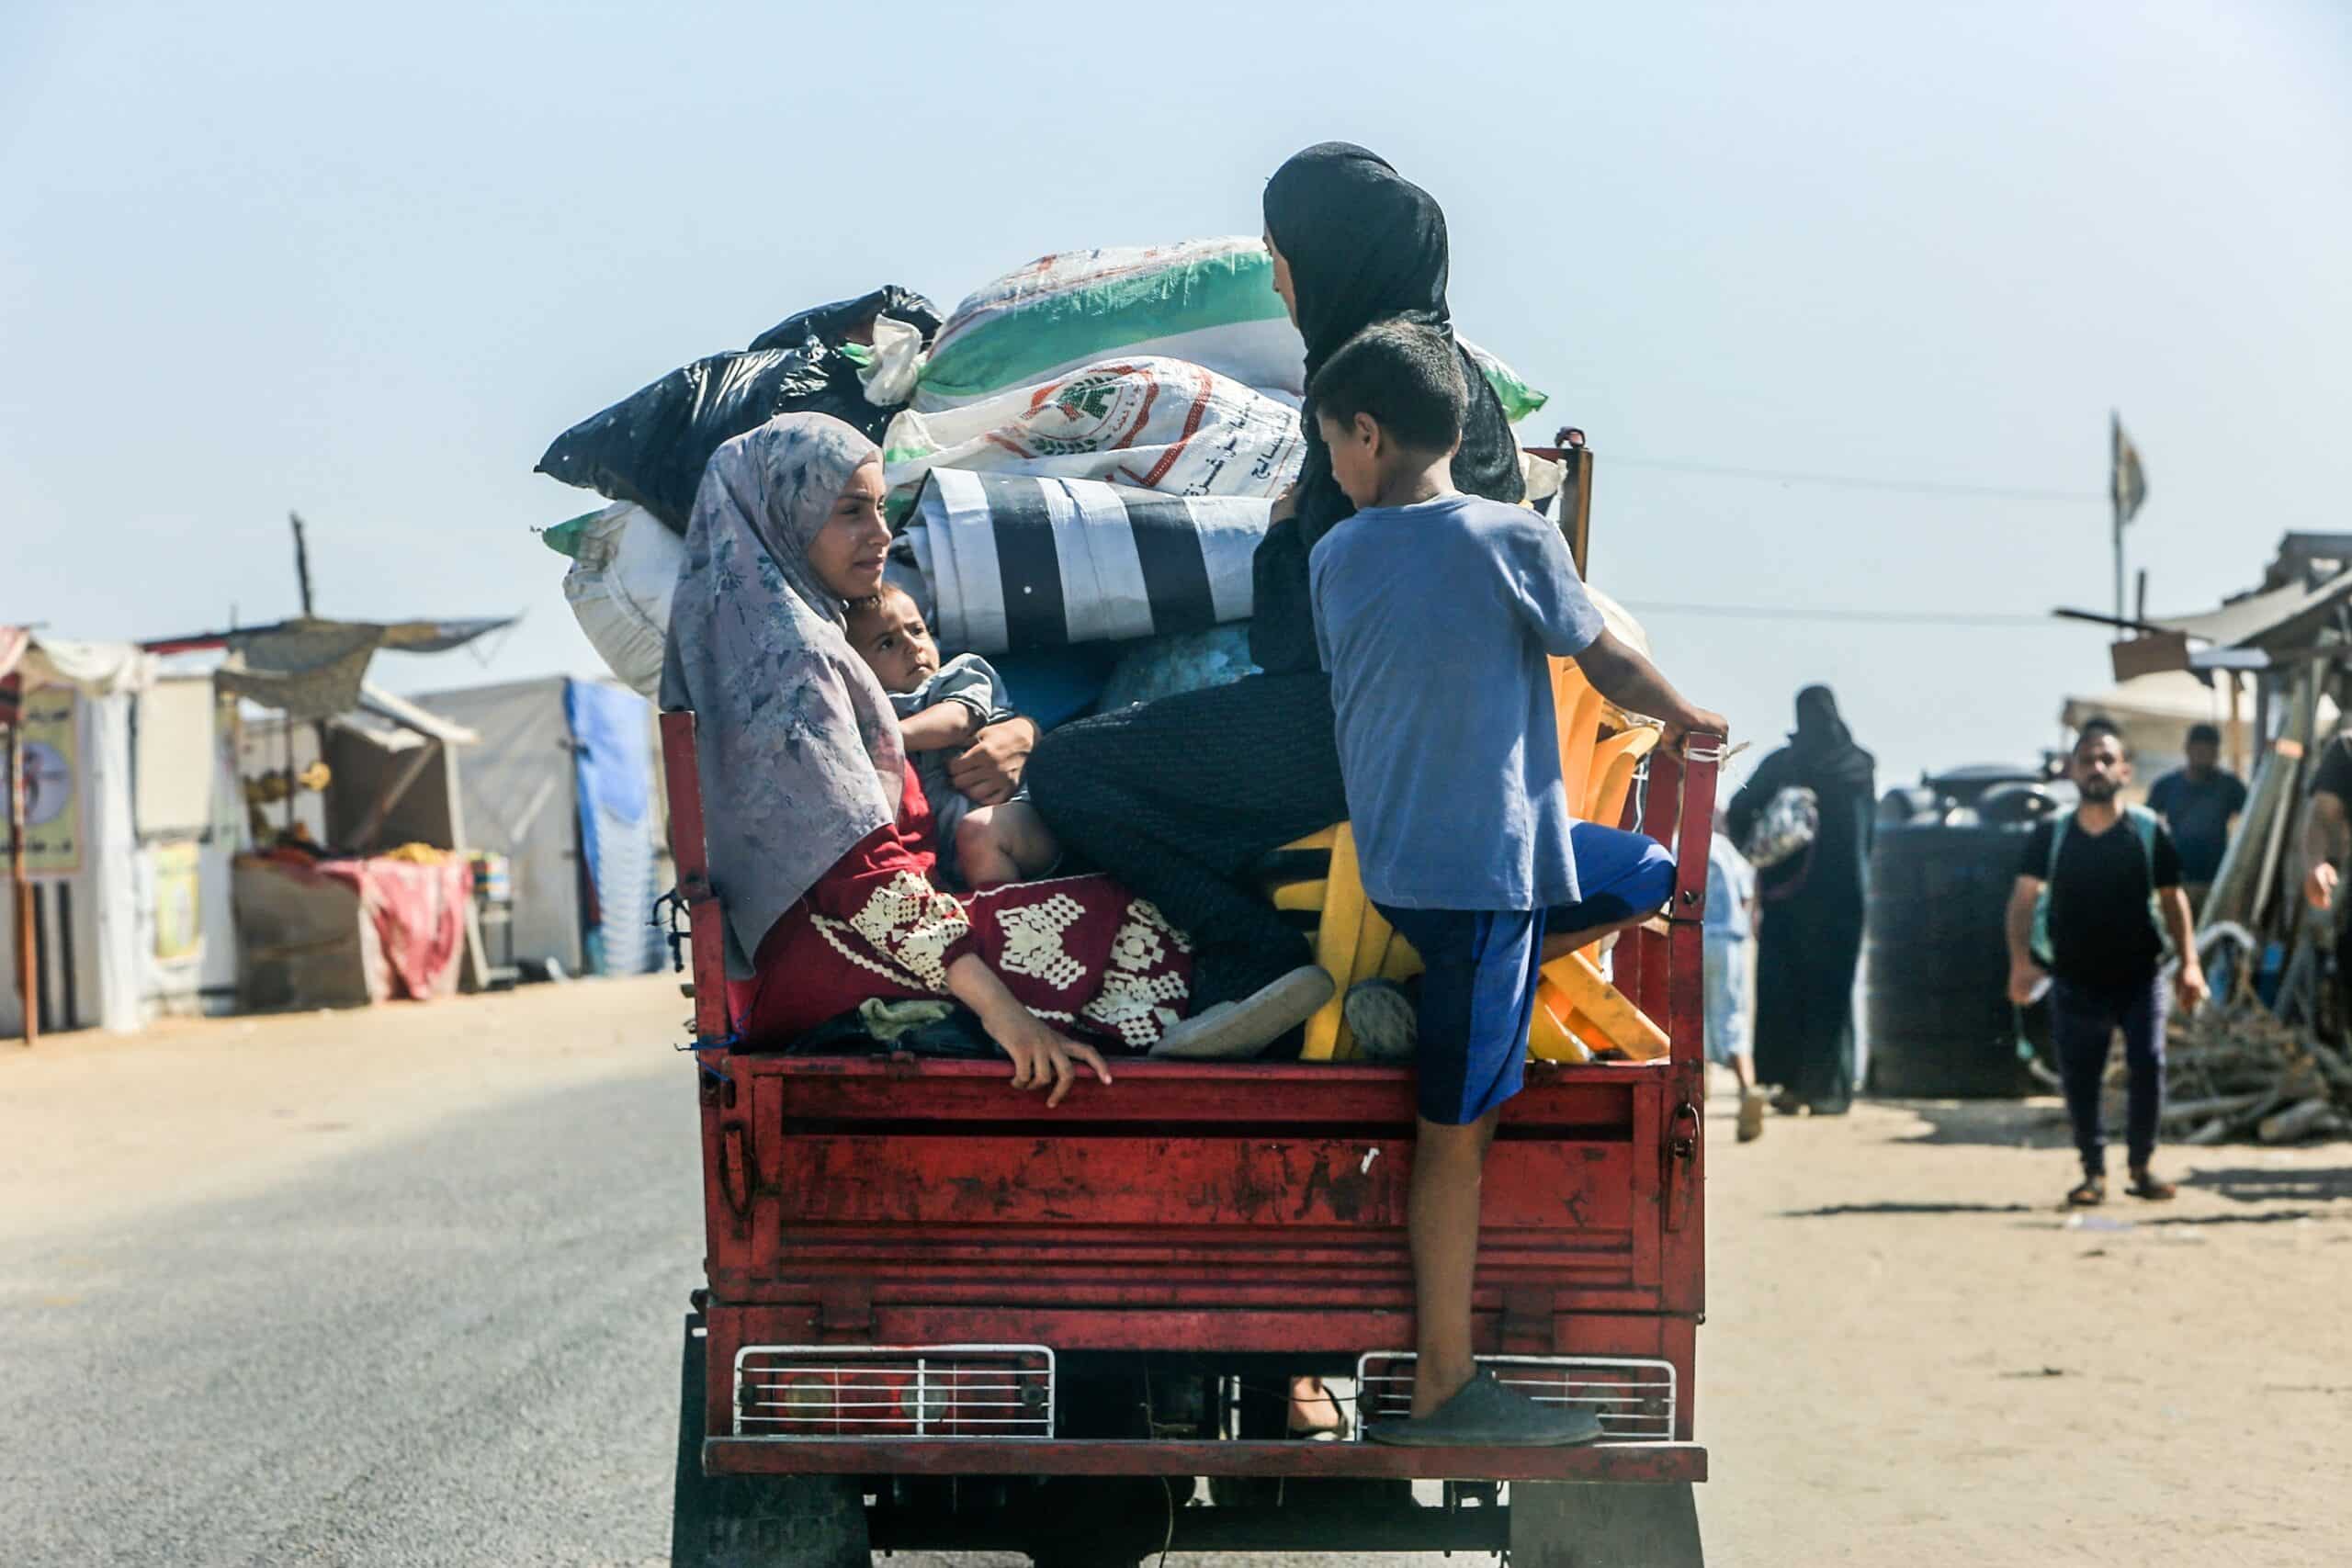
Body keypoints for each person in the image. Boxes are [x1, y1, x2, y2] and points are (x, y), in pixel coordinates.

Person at [1305, 321, 1725, 1446]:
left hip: (1411, 871)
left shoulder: (1335, 556)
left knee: (1627, 869)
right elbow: (1606, 662)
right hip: (1488, 881)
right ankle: (1443, 1386)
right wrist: (1684, 718)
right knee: (1457, 1132)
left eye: (1332, 452)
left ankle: (1463, 995)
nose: (1334, 473)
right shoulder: (1512, 540)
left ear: (1365, 431)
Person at [1025, 141, 1529, 1059]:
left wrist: (1280, 532)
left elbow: (1296, 644)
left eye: (1280, 261)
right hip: (1466, 737)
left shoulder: (1357, 393)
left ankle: (1251, 955)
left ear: (1327, 259)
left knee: (1071, 771)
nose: (1279, 289)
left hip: (1358, 736)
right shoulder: (1455, 385)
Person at [660, 412, 1193, 1105]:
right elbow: (865, 878)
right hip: (836, 946)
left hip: (818, 945)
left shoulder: (772, 635)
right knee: (1140, 918)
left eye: (880, 509)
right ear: (786, 516)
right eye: (851, 512)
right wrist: (1008, 1017)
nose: (880, 535)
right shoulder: (791, 661)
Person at [2004, 719, 2208, 1207]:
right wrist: (2019, 963)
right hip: (2074, 976)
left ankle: (2141, 1166)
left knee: (2148, 1066)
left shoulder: (2146, 830)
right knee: (2080, 1076)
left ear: (2124, 770)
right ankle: (2093, 1172)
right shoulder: (2051, 834)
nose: (2096, 768)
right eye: (2087, 760)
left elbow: (2173, 899)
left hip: (2140, 974)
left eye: (2105, 759)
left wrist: (2189, 963)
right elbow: (2022, 900)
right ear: (2071, 770)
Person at [843, 584, 1057, 890]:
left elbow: (957, 720)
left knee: (979, 832)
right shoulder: (867, 710)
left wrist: (891, 736)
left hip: (1017, 821)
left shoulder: (956, 676)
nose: (912, 646)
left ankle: (1008, 920)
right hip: (948, 858)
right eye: (887, 643)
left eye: (917, 630)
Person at [1724, 686, 1876, 1116]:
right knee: (1834, 993)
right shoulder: (1860, 767)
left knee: (1787, 991)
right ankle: (1831, 1091)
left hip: (1788, 900)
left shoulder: (1784, 763)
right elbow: (1871, 836)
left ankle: (1790, 1086)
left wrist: (1761, 855)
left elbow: (1739, 811)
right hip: (1847, 900)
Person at [1705, 809, 1768, 1143]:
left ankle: (1696, 1094)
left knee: (1687, 1016)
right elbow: (1747, 895)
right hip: (1731, 940)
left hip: (1692, 936)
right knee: (1732, 1017)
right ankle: (1747, 1088)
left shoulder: (1673, 844)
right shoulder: (1728, 849)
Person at [2146, 722, 2246, 908]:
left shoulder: (2229, 786)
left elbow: (2252, 824)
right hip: (2176, 880)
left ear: (2217, 753)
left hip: (2218, 881)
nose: (2204, 755)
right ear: (2188, 749)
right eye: (2199, 749)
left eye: (2210, 750)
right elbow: (2147, 824)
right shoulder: (2167, 785)